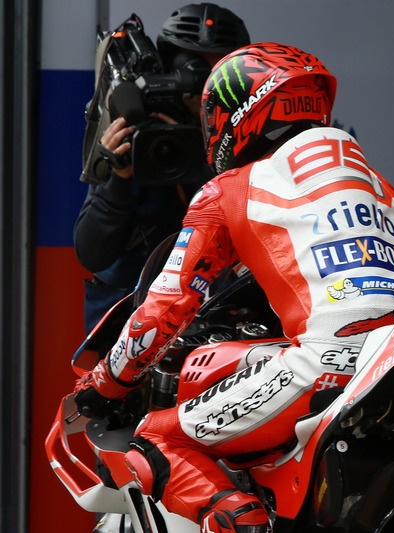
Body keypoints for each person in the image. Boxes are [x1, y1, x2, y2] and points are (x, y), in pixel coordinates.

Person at [72, 42, 394, 533]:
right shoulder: (376, 184)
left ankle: (243, 522)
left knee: (157, 441)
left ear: (238, 112)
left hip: (329, 365)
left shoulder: (227, 189)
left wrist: (103, 383)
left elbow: (164, 309)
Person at [74, 3, 250, 334]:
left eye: (219, 70)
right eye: (194, 67)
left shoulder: (251, 134)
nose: (205, 84)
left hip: (222, 318)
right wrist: (119, 179)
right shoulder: (139, 137)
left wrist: (207, 162)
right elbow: (92, 253)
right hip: (132, 324)